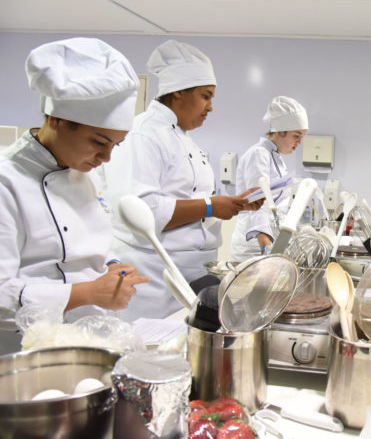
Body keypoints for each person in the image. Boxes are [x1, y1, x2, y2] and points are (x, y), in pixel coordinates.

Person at [0, 38, 150, 354]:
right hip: (28, 351)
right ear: (56, 119)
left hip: (89, 340)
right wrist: (87, 293)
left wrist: (112, 266)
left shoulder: (84, 172)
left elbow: (92, 241)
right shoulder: (7, 181)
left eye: (114, 146)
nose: (106, 158)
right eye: (99, 142)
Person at [102, 40, 262, 321]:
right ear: (177, 92)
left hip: (191, 272)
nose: (211, 107)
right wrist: (211, 206)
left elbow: (191, 203)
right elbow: (144, 213)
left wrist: (235, 204)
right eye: (205, 96)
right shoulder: (143, 135)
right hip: (156, 279)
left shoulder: (182, 138)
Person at [229, 96, 308, 261]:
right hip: (253, 247)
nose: (300, 142)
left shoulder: (276, 158)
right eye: (296, 136)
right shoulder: (259, 154)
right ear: (280, 131)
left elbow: (277, 206)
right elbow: (259, 202)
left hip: (269, 242)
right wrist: (264, 243)